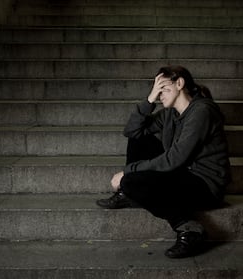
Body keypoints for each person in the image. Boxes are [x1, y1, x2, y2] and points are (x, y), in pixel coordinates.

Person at [96, 65, 231, 258]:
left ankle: (189, 229)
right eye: (156, 89)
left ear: (180, 83)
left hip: (205, 185)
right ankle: (129, 191)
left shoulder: (202, 111)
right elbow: (132, 131)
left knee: (132, 181)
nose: (159, 94)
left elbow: (175, 158)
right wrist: (149, 100)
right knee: (139, 137)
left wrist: (129, 171)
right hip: (183, 173)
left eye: (163, 88)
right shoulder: (170, 114)